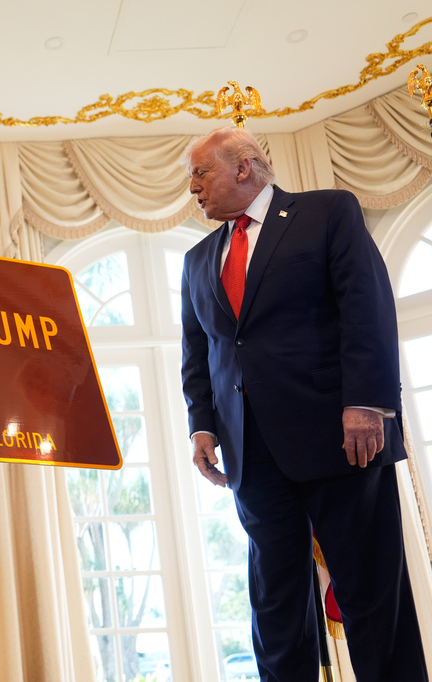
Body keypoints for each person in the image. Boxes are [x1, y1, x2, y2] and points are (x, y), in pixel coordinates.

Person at [179, 126, 429, 681]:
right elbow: (199, 353)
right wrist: (202, 427)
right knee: (275, 606)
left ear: (243, 167)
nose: (191, 189)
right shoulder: (198, 260)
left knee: (371, 594)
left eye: (200, 174)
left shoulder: (327, 213)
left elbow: (367, 304)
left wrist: (366, 403)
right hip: (252, 455)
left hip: (343, 439)